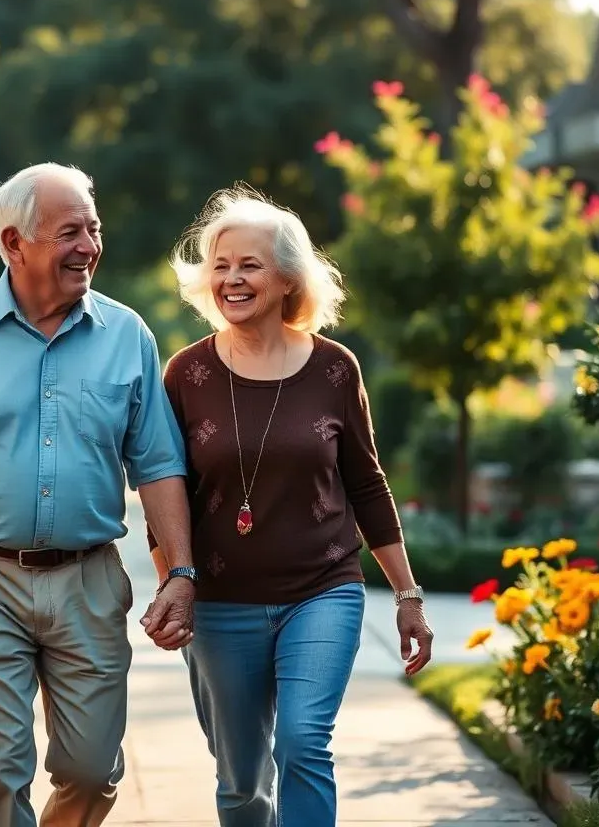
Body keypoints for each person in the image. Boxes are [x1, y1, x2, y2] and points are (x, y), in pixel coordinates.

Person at [0, 162, 197, 827]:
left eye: (93, 228)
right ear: (14, 244)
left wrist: (183, 573)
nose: (89, 245)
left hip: (88, 580)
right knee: (1, 773)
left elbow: (160, 466)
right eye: (68, 232)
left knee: (91, 771)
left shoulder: (127, 337)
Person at [144, 187, 433, 827]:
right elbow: (164, 494)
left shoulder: (335, 369)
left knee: (304, 744)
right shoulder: (185, 375)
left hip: (322, 591)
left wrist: (407, 596)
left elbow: (367, 484)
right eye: (220, 266)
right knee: (243, 781)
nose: (231, 279)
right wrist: (174, 581)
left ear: (285, 279)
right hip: (222, 602)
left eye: (249, 264)